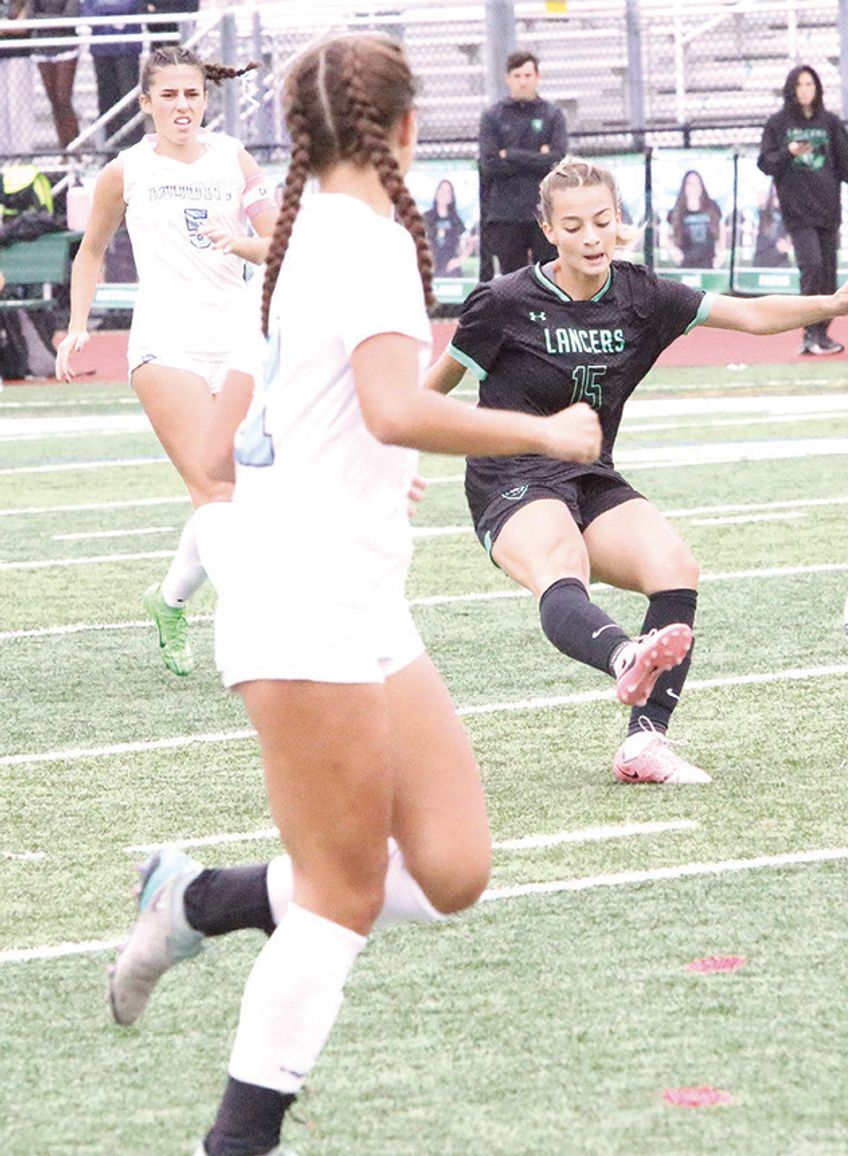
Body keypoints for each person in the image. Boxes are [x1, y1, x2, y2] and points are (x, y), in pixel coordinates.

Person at [104, 33, 601, 1156]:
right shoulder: (359, 238)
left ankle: (198, 898)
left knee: (453, 866)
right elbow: (386, 402)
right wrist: (540, 427)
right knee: (338, 899)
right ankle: (237, 1139)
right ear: (408, 132)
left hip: (357, 595)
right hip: (304, 601)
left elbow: (248, 429)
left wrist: (355, 456)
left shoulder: (303, 234)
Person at [425, 154, 848, 785]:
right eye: (574, 225)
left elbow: (748, 315)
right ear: (549, 229)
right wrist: (389, 460)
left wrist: (832, 303)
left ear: (619, 222)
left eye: (603, 221)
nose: (591, 237)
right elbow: (429, 394)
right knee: (562, 562)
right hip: (511, 472)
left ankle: (644, 744)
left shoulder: (641, 295)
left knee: (675, 568)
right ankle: (624, 655)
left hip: (590, 473)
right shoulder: (504, 302)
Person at [55, 45, 279, 676]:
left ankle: (169, 599)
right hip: (164, 345)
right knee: (214, 487)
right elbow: (92, 252)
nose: (183, 106)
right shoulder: (124, 171)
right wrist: (77, 327)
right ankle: (260, 634)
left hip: (238, 339)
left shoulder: (233, 157)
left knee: (244, 495)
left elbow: (276, 243)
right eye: (171, 96)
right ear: (146, 102)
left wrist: (240, 241)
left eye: (193, 94)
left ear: (206, 99)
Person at [758, 64, 848, 356]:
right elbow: (765, 163)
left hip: (827, 210)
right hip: (798, 212)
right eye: (799, 85)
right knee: (811, 267)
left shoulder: (830, 123)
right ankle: (809, 332)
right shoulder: (778, 124)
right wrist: (789, 152)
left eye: (810, 84)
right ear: (791, 89)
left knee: (827, 274)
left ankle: (822, 334)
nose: (805, 90)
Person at [478, 50, 567, 277]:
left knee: (548, 277)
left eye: (527, 76)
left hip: (543, 212)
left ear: (538, 77)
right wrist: (537, 157)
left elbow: (556, 161)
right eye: (517, 76)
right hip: (506, 213)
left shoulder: (552, 114)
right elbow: (489, 165)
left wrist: (510, 155)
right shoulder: (493, 116)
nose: (522, 82)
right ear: (508, 79)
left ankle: (548, 314)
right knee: (513, 280)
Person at [79, 0, 145, 148]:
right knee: (106, 101)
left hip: (127, 48)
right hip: (101, 49)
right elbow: (87, 10)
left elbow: (131, 5)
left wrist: (104, 9)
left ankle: (133, 148)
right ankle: (110, 150)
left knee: (129, 101)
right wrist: (113, 14)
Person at [25, 0, 80, 148]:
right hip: (43, 48)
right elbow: (30, 17)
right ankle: (64, 148)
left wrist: (43, 19)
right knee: (54, 102)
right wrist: (54, 19)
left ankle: (75, 145)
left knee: (63, 99)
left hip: (65, 46)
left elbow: (71, 17)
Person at [666, 168, 725, 269]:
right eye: (690, 184)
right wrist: (674, 252)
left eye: (697, 183)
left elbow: (721, 232)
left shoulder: (713, 207)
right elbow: (666, 235)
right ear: (684, 187)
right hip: (686, 265)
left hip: (709, 265)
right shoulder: (676, 211)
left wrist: (720, 256)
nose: (694, 187)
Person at [423, 176, 472, 275]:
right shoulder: (426, 217)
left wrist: (459, 261)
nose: (443, 194)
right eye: (441, 190)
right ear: (436, 193)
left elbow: (470, 242)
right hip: (429, 269)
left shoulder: (456, 220)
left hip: (451, 271)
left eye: (448, 192)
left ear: (451, 197)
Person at [751, 182, 792, 268]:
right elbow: (759, 262)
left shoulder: (791, 217)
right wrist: (777, 250)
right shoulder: (762, 217)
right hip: (765, 270)